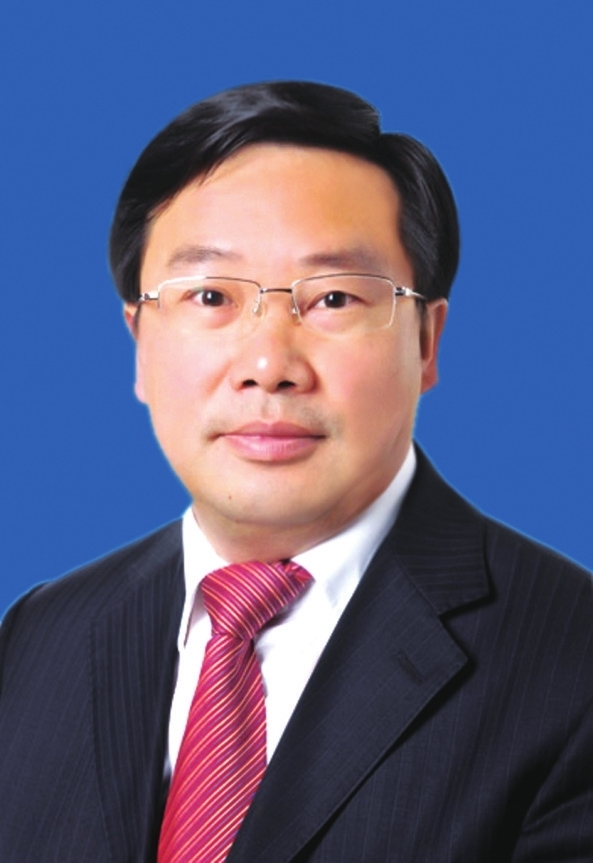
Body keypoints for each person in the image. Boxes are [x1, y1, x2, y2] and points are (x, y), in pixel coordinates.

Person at [0, 81, 591, 863]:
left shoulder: (570, 661)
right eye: (210, 294)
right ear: (139, 343)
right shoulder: (39, 635)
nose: (268, 364)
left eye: (333, 297)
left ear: (425, 342)